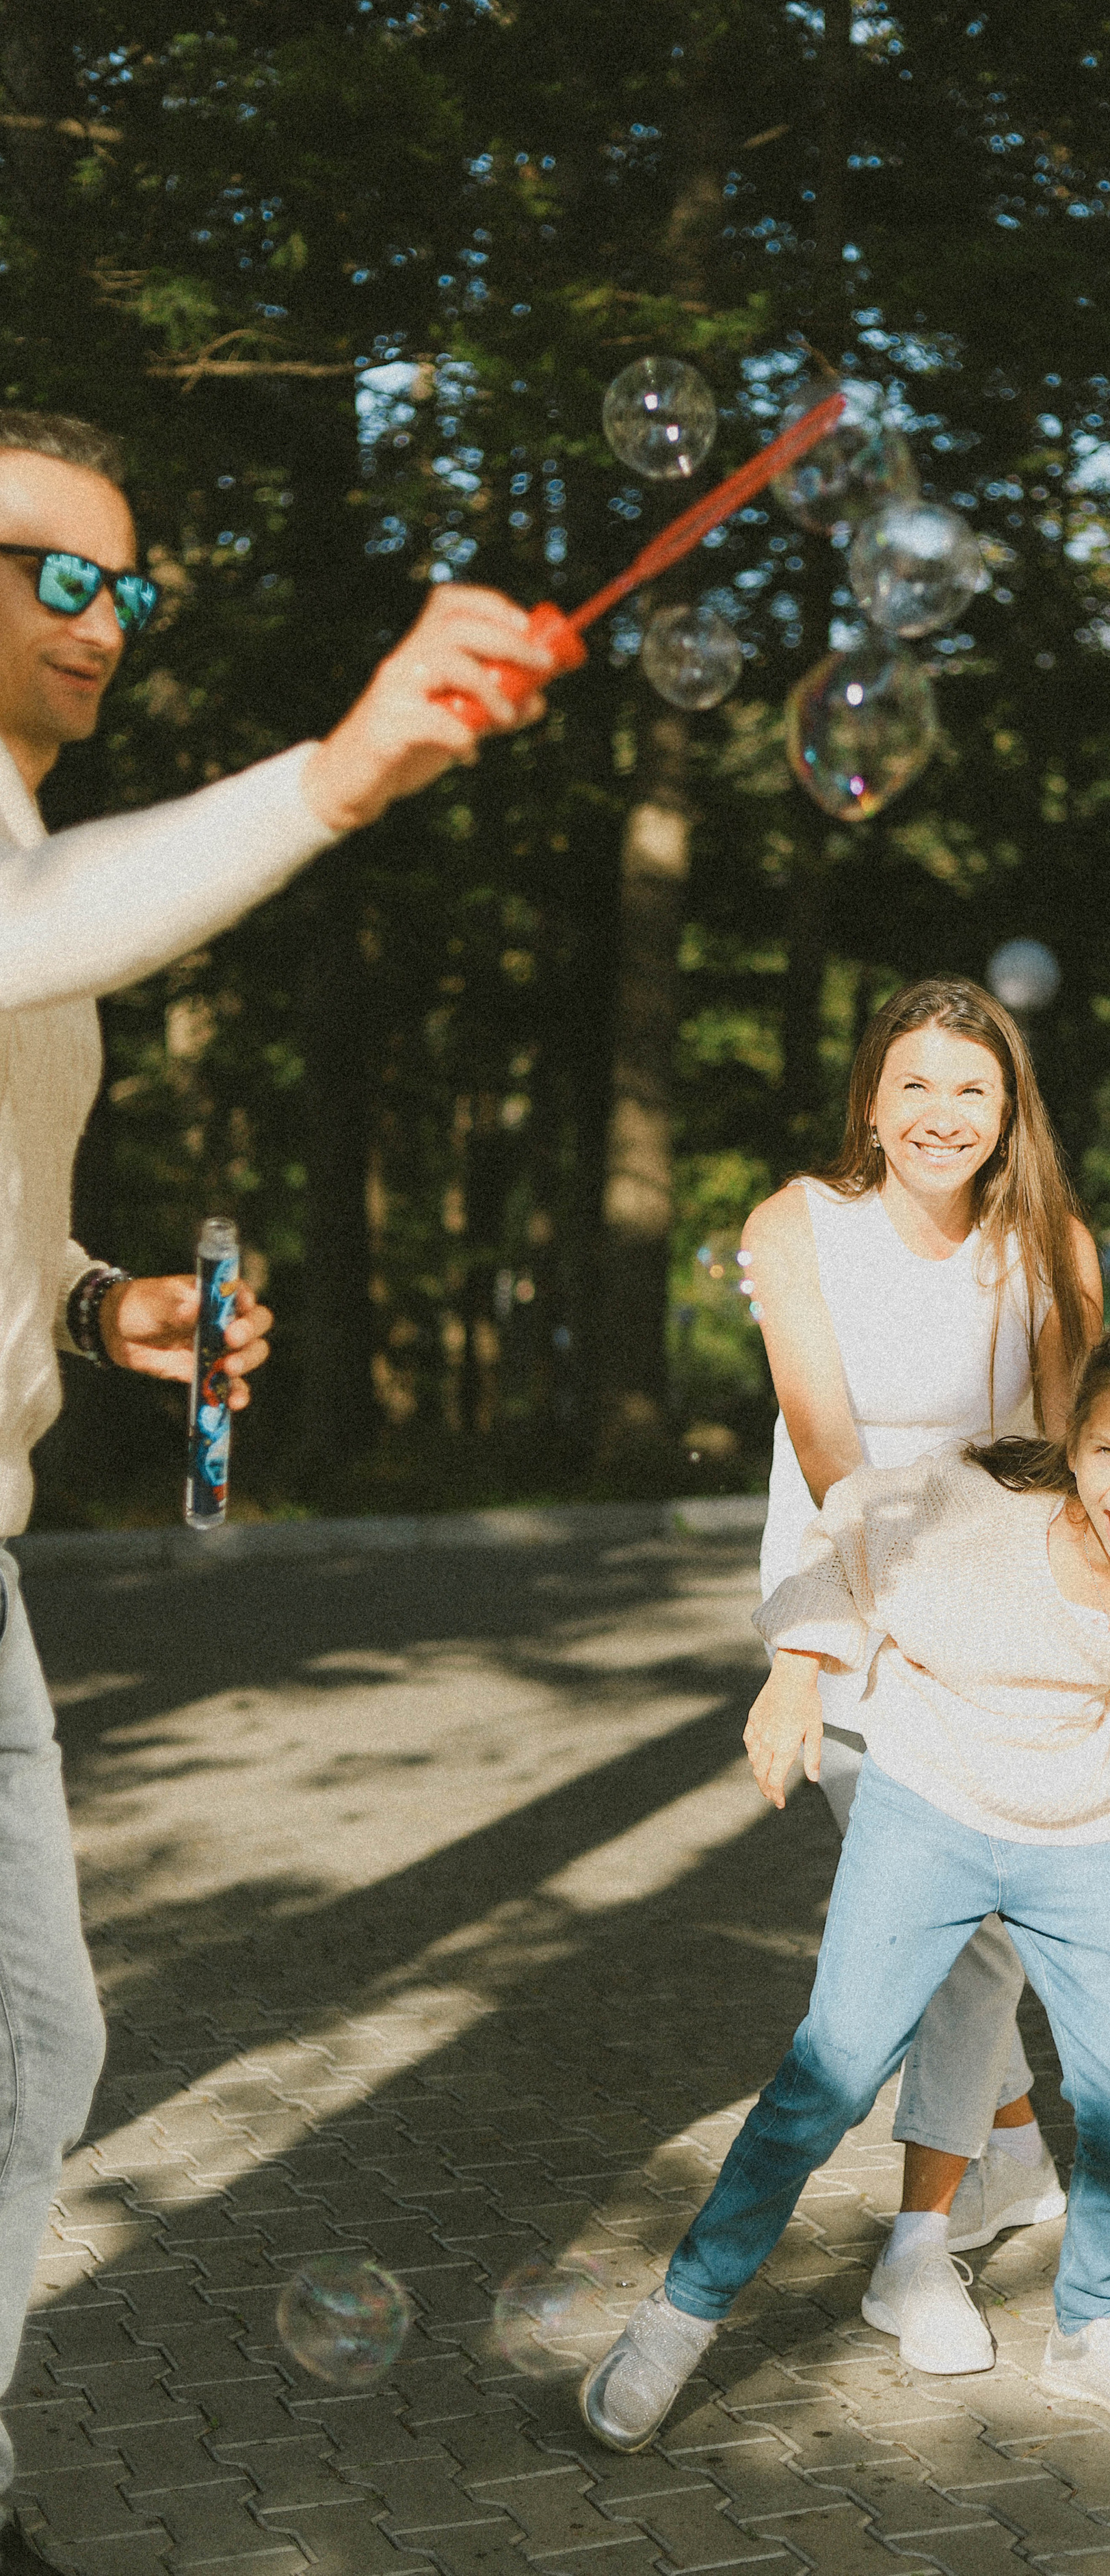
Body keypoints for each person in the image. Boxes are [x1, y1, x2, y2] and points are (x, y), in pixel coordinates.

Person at [0, 409, 553, 2574]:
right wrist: (339, 773)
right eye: (63, 573)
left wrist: (95, 1309)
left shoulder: (35, 874)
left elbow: (16, 1195)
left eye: (132, 591)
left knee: (44, 2043)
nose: (108, 623)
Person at [581, 1301, 1110, 2456]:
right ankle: (678, 2318)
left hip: (1074, 1834)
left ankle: (1094, 2332)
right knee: (829, 2077)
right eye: (1107, 1453)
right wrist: (797, 1676)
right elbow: (842, 1538)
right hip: (925, 1806)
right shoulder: (969, 1502)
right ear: (1074, 1438)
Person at [742, 977, 1102, 2371]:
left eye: (973, 1088)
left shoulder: (1050, 1245)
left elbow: (1067, 1454)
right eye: (915, 1085)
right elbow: (826, 1448)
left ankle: (921, 2240)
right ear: (871, 1103)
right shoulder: (796, 1228)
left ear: (1008, 1109)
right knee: (963, 1932)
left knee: (971, 1933)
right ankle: (982, 2175)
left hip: (997, 1628)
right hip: (844, 1601)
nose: (942, 1114)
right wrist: (807, 1657)